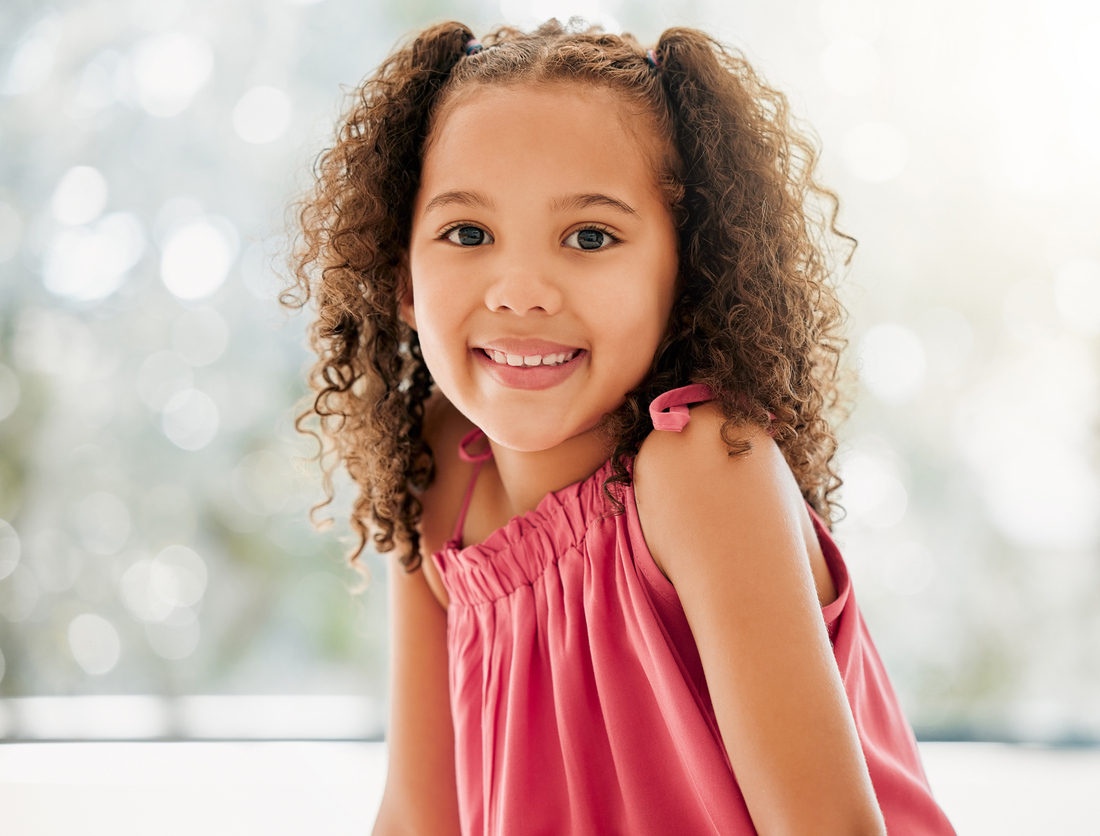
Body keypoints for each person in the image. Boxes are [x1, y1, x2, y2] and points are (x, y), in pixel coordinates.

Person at [287, 18, 955, 836]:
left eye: (590, 236)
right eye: (468, 233)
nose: (520, 290)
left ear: (688, 270)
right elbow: (418, 816)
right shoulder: (438, 474)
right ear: (402, 278)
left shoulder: (701, 467)